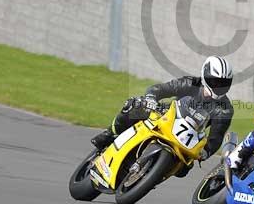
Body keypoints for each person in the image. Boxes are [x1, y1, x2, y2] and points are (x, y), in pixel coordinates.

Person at [90, 56, 235, 164]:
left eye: (223, 83)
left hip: (188, 138)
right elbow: (160, 89)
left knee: (184, 169)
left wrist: (205, 152)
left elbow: (216, 137)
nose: (218, 86)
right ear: (205, 75)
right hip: (166, 116)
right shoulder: (191, 83)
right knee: (135, 105)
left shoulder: (225, 109)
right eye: (215, 81)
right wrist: (151, 99)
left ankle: (153, 172)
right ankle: (110, 133)